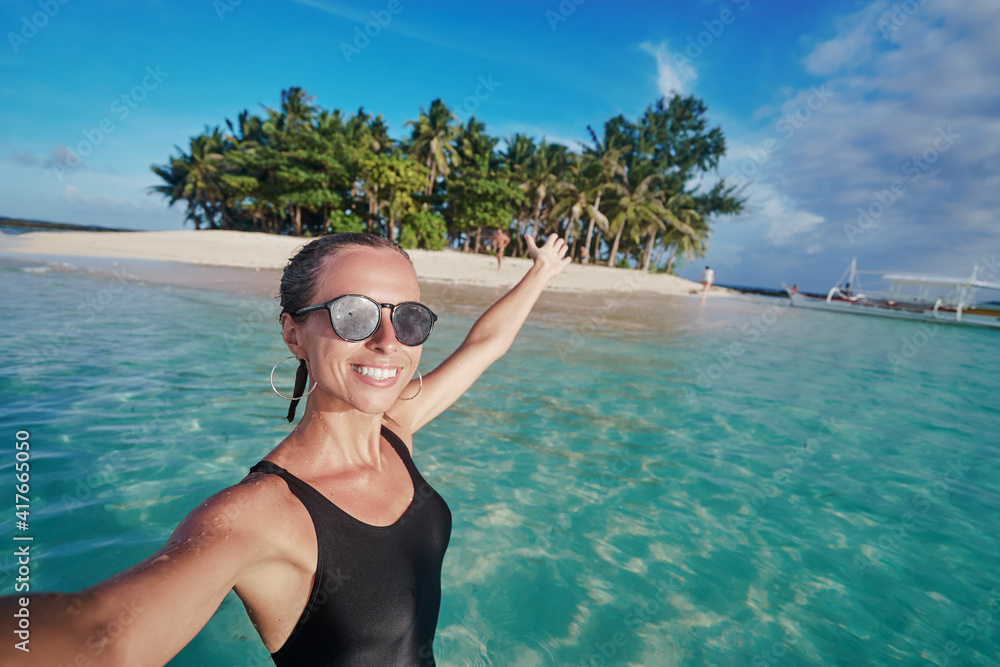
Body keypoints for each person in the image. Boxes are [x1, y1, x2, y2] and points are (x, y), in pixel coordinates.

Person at [2, 231, 571, 666]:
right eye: (354, 315)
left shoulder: (396, 430)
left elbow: (485, 344)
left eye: (409, 319)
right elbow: (104, 637)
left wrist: (542, 271)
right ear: (293, 333)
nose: (388, 342)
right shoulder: (258, 516)